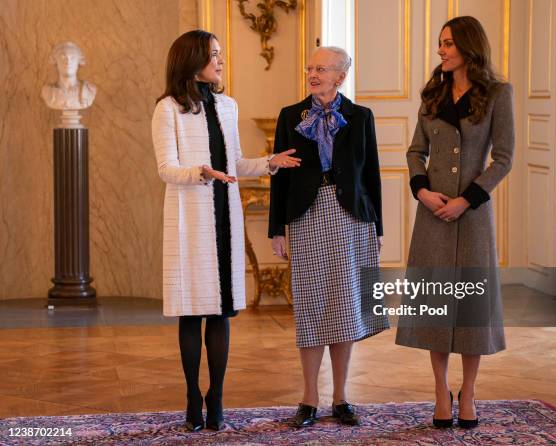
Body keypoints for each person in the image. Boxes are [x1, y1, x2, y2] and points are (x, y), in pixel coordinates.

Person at [152, 29, 300, 432]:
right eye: (213, 54)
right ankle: (190, 398)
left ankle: (215, 397)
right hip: (191, 219)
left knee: (221, 312)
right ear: (192, 59)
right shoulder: (168, 109)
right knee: (192, 311)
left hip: (225, 216)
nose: (220, 61)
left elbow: (235, 163)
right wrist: (201, 172)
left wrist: (270, 161)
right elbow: (165, 169)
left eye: (220, 54)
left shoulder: (229, 106)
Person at [395, 16, 515, 429]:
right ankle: (439, 389)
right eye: (440, 43)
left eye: (447, 43)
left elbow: (504, 158)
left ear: (468, 47)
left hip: (473, 214)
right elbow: (415, 152)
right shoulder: (433, 93)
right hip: (432, 215)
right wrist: (423, 191)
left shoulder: (498, 93)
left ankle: (470, 390)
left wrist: (466, 200)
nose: (441, 50)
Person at [268, 46, 389, 428]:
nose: (313, 73)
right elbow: (280, 176)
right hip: (306, 216)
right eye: (310, 68)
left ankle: (341, 397)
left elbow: (372, 175)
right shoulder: (291, 116)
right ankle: (308, 399)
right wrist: (276, 228)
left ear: (341, 76)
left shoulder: (361, 116)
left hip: (351, 218)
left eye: (321, 68)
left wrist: (378, 227)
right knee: (310, 306)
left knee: (346, 306)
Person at [41, 41, 96, 110]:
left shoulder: (88, 90)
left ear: (79, 61)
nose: (68, 62)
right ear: (55, 61)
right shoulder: (48, 92)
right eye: (63, 57)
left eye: (72, 58)